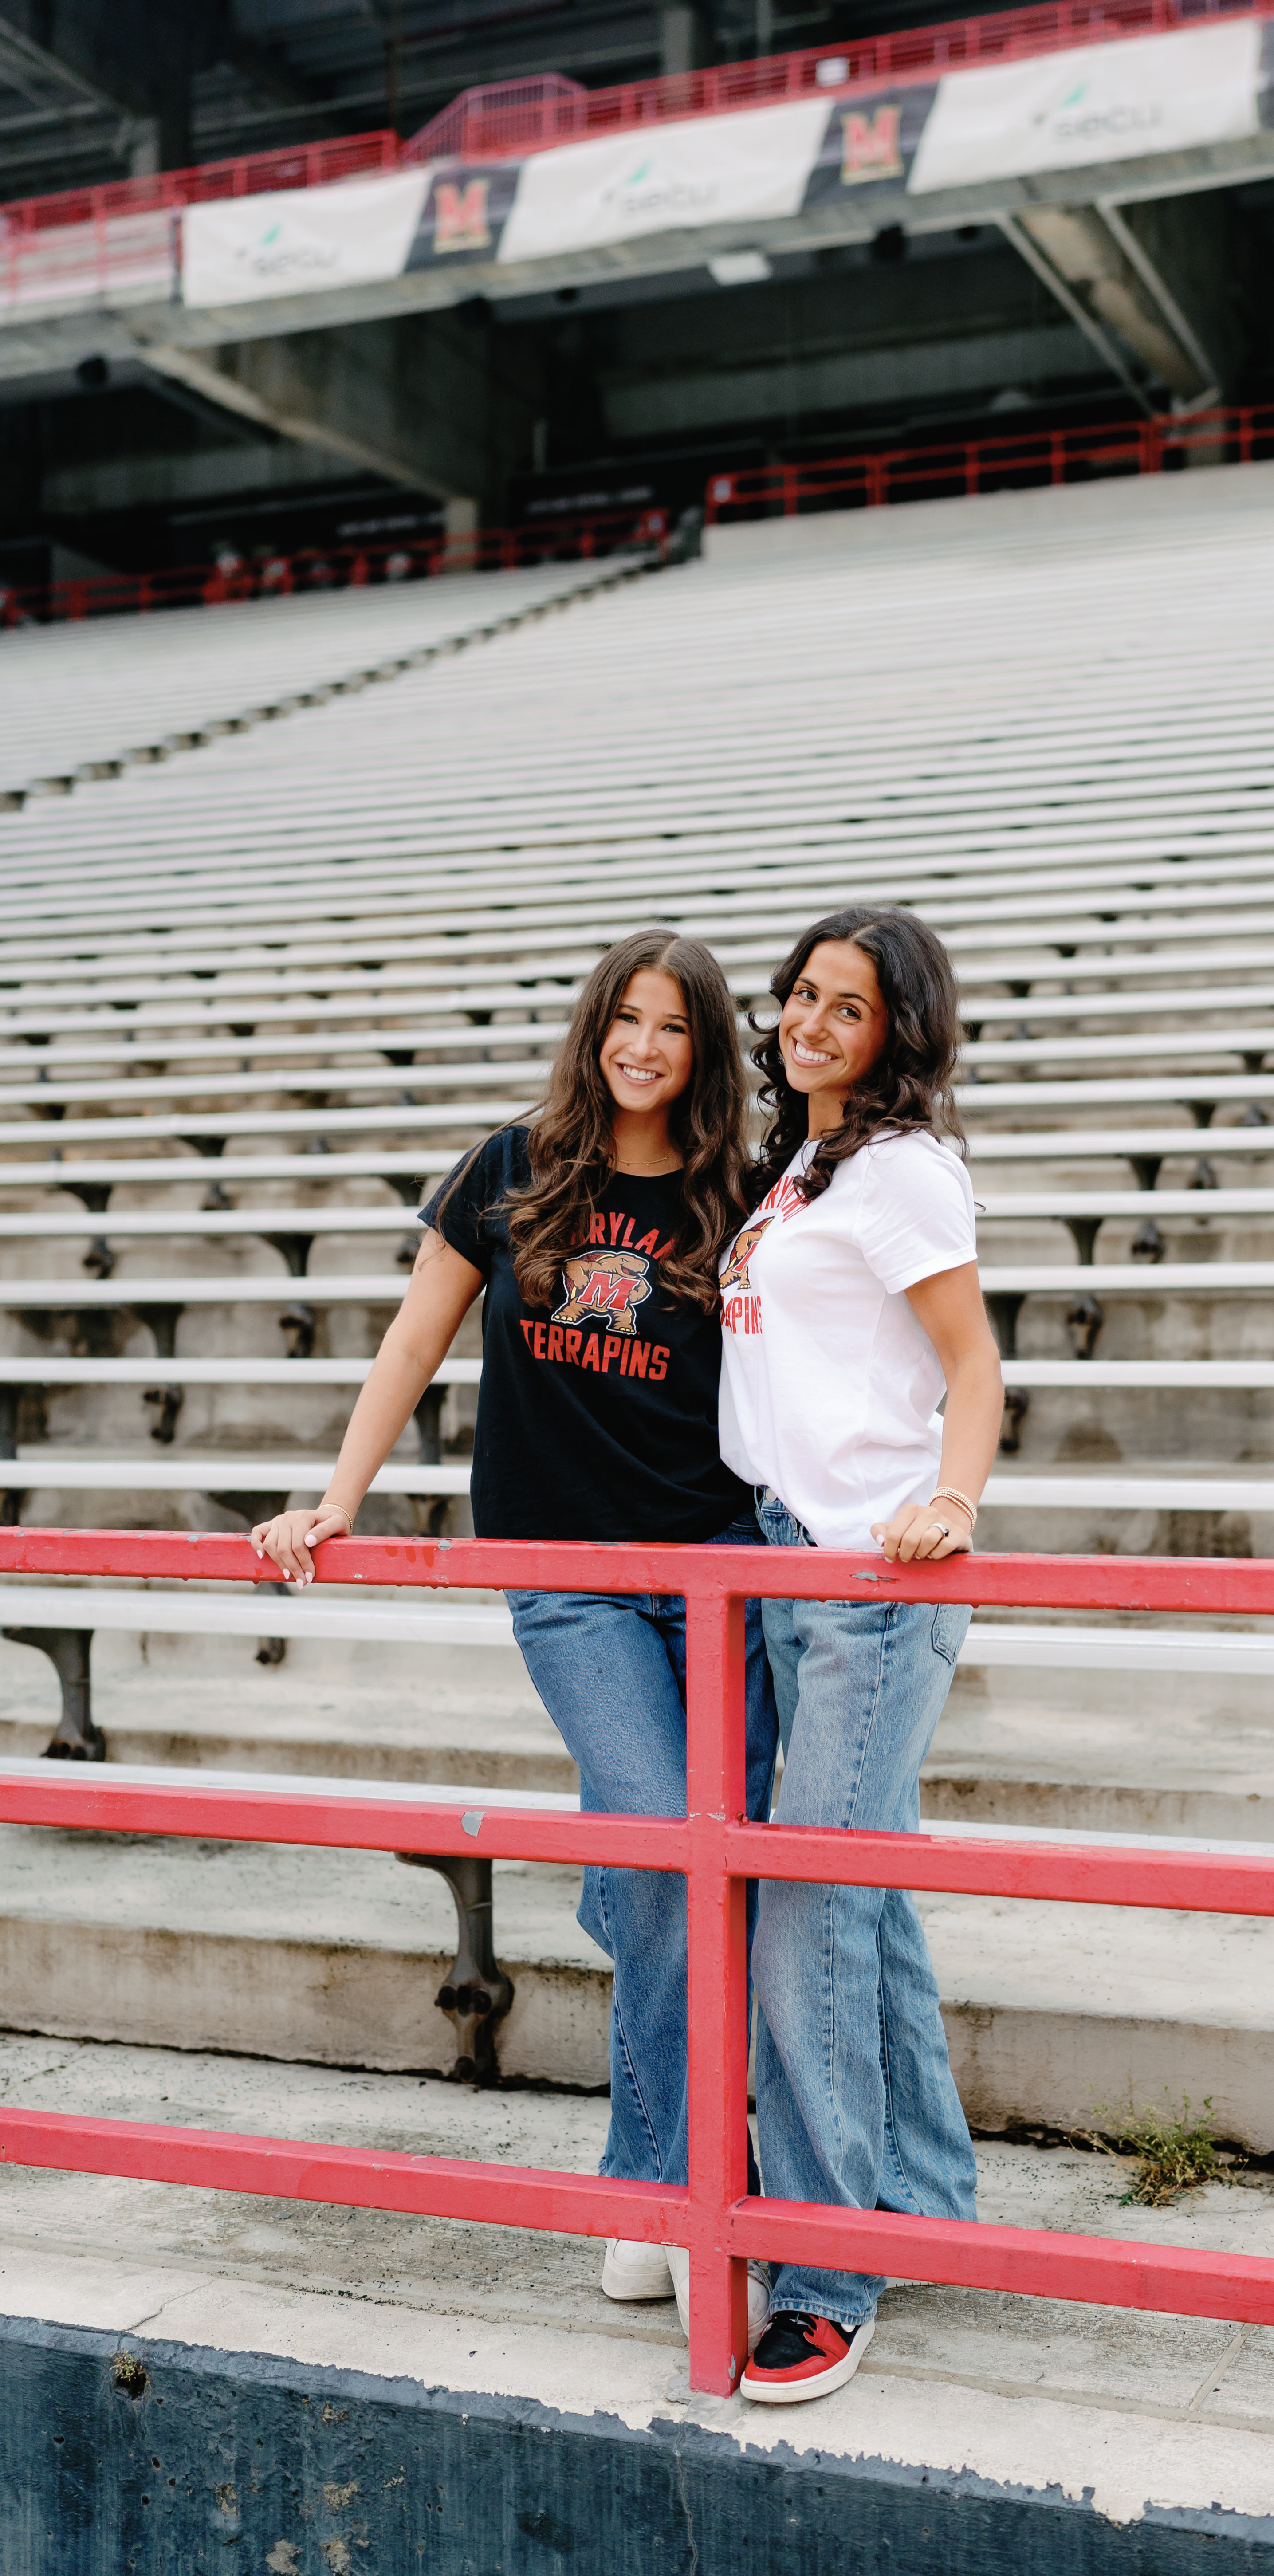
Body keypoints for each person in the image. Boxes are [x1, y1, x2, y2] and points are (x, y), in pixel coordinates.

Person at [250, 928, 776, 2348]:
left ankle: (664, 2186)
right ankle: (664, 2197)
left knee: (685, 1869)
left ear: (707, 1044)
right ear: (594, 1028)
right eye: (625, 1020)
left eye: (674, 1027)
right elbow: (415, 1343)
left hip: (720, 1566)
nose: (645, 1048)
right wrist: (336, 1498)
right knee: (668, 1839)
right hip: (570, 1580)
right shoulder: (513, 1166)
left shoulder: (742, 1184)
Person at [716, 905, 1004, 2405]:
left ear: (900, 1031)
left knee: (811, 1912)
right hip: (787, 1563)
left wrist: (950, 1500)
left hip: (870, 1580)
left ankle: (825, 2274)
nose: (816, 1023)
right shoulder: (801, 1173)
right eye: (804, 997)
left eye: (854, 1006)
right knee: (860, 1898)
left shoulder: (898, 1171)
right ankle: (928, 2207)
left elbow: (974, 1367)